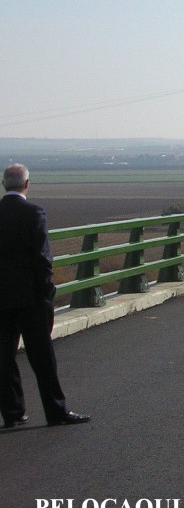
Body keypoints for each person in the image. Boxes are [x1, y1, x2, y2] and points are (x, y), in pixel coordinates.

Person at [1, 164, 90, 428]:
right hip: (32, 297)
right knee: (42, 358)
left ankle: (13, 413)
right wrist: (47, 290)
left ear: (4, 184)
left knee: (4, 358)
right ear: (27, 184)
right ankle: (56, 411)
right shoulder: (34, 212)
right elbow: (42, 256)